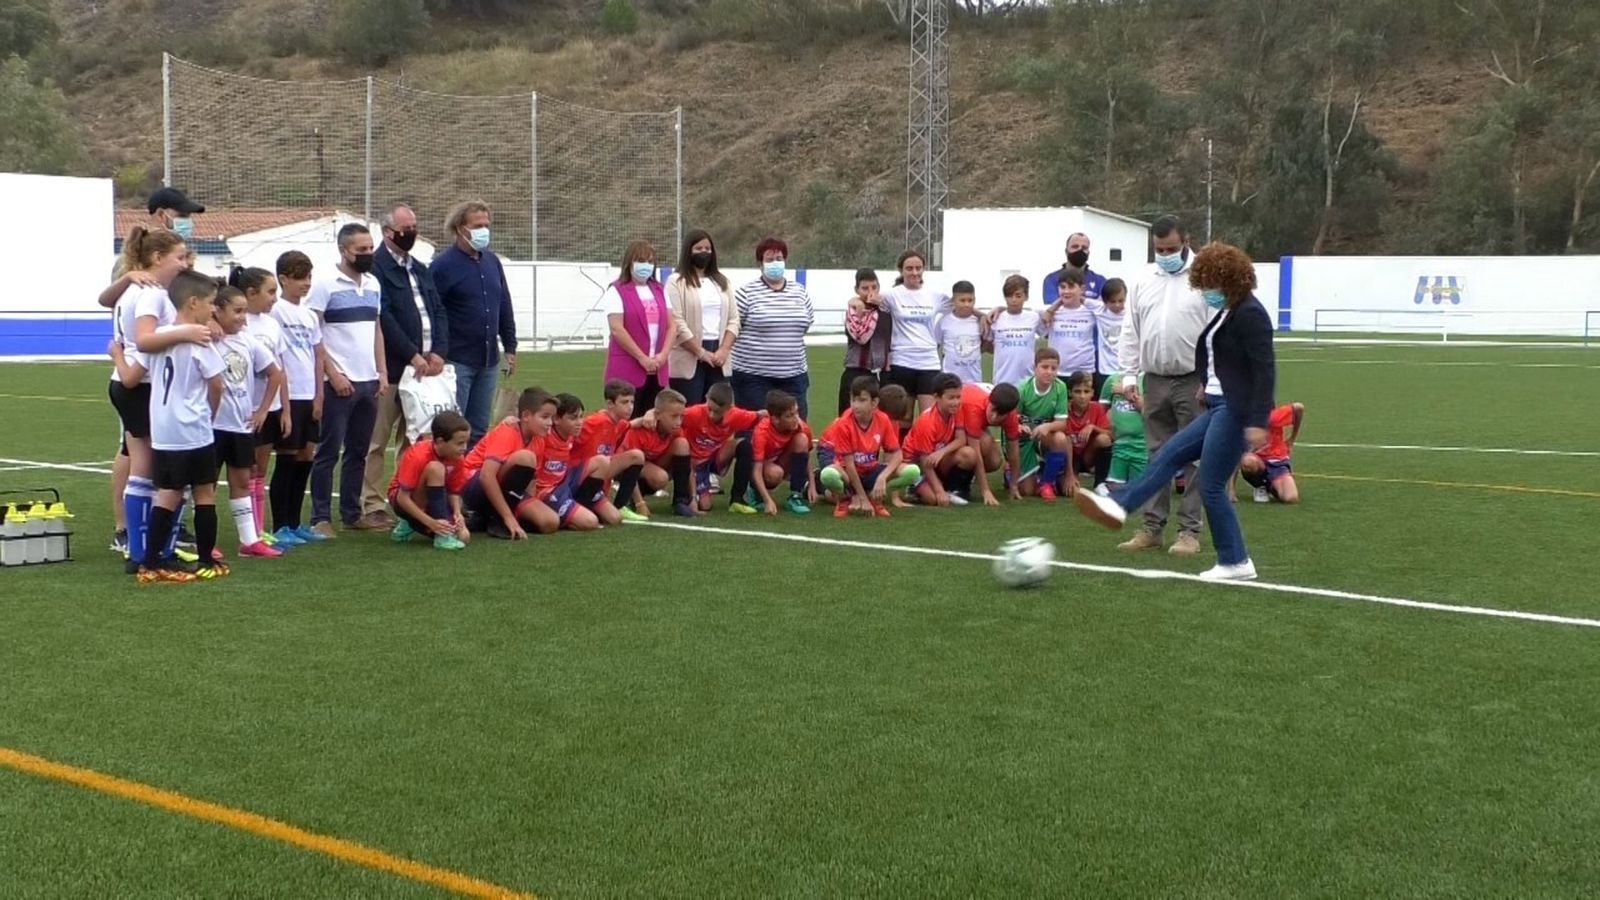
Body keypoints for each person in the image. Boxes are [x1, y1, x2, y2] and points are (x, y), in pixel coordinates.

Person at [1075, 241, 1278, 581]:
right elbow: (1216, 354)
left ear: (1228, 279)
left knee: (1210, 484)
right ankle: (1119, 505)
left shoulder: (1251, 314)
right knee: (1168, 454)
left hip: (1236, 410)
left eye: (1209, 284)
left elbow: (1264, 369)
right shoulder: (1229, 310)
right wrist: (1205, 383)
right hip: (1216, 403)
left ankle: (1236, 561)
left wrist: (1258, 421)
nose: (1205, 291)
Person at [1114, 214, 1211, 556]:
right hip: (1154, 378)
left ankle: (1189, 532)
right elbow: (1131, 328)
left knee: (1195, 458)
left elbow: (1217, 330)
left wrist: (1211, 378)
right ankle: (1151, 528)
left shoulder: (1205, 277)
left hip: (1193, 380)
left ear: (1186, 242)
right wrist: (1129, 374)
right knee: (1157, 455)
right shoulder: (1143, 278)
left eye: (1171, 248)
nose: (1165, 255)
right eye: (1160, 249)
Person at [105, 227, 195, 570]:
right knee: (157, 471)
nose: (184, 264)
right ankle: (148, 552)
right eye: (179, 257)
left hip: (131, 382)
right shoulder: (152, 293)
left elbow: (108, 303)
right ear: (157, 257)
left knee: (144, 468)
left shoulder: (135, 287)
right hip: (140, 384)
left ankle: (143, 551)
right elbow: (144, 340)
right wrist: (188, 331)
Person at [129, 270, 227, 583]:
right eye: (211, 303)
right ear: (193, 302)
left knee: (167, 494)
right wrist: (210, 414)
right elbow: (216, 384)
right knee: (204, 493)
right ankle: (206, 560)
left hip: (164, 430)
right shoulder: (200, 340)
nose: (213, 309)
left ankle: (150, 560)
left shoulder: (159, 337)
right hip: (194, 428)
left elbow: (140, 366)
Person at [358, 203, 448, 531]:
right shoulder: (376, 269)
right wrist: (412, 354)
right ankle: (370, 503)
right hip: (394, 369)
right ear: (387, 232)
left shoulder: (420, 268)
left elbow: (438, 310)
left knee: (414, 441)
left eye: (413, 226)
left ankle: (406, 500)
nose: (411, 232)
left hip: (424, 372)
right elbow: (384, 317)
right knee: (376, 440)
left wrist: (439, 351)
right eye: (405, 228)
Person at [306, 223, 387, 538]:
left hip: (369, 381)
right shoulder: (325, 285)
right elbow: (313, 334)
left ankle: (352, 513)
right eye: (361, 249)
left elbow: (376, 329)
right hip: (338, 383)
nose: (368, 254)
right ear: (344, 250)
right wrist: (333, 373)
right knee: (328, 451)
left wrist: (382, 372)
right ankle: (320, 517)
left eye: (370, 248)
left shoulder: (373, 284)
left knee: (358, 451)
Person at [431, 200, 517, 444]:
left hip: (488, 361)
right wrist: (436, 350)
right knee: (454, 427)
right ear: (460, 228)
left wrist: (510, 346)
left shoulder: (492, 261)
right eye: (478, 226)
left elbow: (504, 303)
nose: (484, 230)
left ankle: (472, 468)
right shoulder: (442, 266)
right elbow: (433, 311)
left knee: (479, 429)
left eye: (486, 225)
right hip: (456, 360)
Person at [210, 284, 286, 559]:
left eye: (244, 311)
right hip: (212, 426)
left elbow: (275, 374)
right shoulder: (206, 338)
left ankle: (249, 540)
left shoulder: (248, 342)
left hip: (240, 425)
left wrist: (263, 410)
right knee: (205, 485)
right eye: (237, 311)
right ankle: (205, 541)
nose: (243, 318)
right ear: (217, 311)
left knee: (242, 480)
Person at [267, 251, 327, 545]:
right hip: (288, 396)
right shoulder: (276, 312)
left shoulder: (310, 316)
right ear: (283, 279)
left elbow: (318, 355)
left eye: (309, 277)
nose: (306, 283)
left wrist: (319, 395)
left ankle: (295, 521)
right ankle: (280, 525)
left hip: (309, 394)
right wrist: (285, 400)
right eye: (300, 278)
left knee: (306, 456)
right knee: (287, 457)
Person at [234, 266, 292, 549]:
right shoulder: (237, 323)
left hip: (269, 407)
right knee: (243, 472)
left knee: (260, 471)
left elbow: (280, 369)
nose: (275, 298)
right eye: (270, 292)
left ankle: (257, 530)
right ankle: (248, 533)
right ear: (251, 293)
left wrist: (286, 410)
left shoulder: (271, 325)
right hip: (243, 409)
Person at [731, 237, 813, 419]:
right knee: (755, 428)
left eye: (779, 258)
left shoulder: (799, 292)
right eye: (769, 259)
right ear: (760, 264)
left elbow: (806, 324)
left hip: (794, 376)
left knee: (795, 427)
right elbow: (733, 328)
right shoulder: (745, 293)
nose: (775, 263)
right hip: (753, 378)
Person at [461, 388, 558, 539]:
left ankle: (484, 518)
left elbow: (531, 481)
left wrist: (529, 505)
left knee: (550, 522)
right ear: (526, 416)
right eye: (545, 417)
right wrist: (508, 517)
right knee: (525, 458)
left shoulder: (539, 439)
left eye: (552, 418)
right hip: (472, 485)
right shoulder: (508, 431)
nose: (550, 423)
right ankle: (499, 519)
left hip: (503, 489)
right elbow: (486, 476)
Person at [818, 377, 920, 518]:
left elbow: (897, 454)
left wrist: (882, 478)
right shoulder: (844, 424)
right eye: (853, 400)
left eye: (861, 400)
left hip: (868, 468)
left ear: (874, 402)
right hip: (844, 467)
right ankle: (843, 497)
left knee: (913, 472)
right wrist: (862, 498)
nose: (855, 405)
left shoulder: (883, 419)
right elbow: (849, 465)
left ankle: (875, 497)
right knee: (828, 476)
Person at [874, 249, 951, 416]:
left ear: (923, 269)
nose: (914, 272)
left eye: (918, 268)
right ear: (901, 270)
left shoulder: (935, 296)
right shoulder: (891, 295)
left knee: (928, 417)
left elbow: (962, 305)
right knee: (903, 418)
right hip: (902, 362)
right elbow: (867, 299)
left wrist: (985, 315)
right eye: (909, 268)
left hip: (929, 363)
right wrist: (855, 301)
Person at [666, 230, 739, 405]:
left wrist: (724, 349)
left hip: (719, 355)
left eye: (707, 248)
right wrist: (700, 352)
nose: (704, 252)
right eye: (698, 248)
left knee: (718, 411)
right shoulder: (676, 281)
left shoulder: (722, 281)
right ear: (688, 251)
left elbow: (734, 319)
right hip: (688, 355)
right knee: (689, 410)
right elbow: (676, 321)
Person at [603, 240, 673, 416]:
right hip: (628, 367)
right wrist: (641, 357)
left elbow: (672, 326)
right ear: (630, 262)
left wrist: (663, 355)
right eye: (641, 261)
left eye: (650, 262)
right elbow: (617, 328)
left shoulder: (659, 289)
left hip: (657, 369)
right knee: (626, 420)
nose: (646, 266)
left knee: (652, 420)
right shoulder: (617, 290)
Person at [388, 410, 472, 551]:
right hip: (403, 501)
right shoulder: (418, 455)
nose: (464, 448)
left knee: (464, 537)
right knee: (435, 468)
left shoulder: (458, 458)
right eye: (459, 443)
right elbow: (403, 498)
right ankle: (440, 536)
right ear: (440, 441)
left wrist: (457, 513)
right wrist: (431, 523)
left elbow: (453, 491)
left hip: (434, 497)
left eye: (466, 443)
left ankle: (409, 525)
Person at [572, 379, 648, 524]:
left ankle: (620, 506)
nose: (630, 407)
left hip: (596, 477)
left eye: (632, 402)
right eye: (624, 402)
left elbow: (633, 424)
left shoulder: (620, 424)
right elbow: (569, 433)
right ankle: (579, 503)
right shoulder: (594, 422)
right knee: (605, 460)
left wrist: (652, 415)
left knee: (637, 456)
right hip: (578, 475)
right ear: (610, 404)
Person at [534, 394, 612, 533]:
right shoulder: (544, 435)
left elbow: (603, 422)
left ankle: (578, 506)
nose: (579, 422)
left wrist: (640, 420)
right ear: (556, 419)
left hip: (565, 482)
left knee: (603, 462)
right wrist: (511, 420)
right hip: (545, 490)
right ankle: (565, 514)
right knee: (590, 522)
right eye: (573, 418)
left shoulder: (571, 434)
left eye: (581, 417)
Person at [679, 381, 760, 514]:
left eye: (717, 412)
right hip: (694, 463)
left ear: (729, 408)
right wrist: (650, 415)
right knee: (705, 506)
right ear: (706, 398)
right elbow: (668, 413)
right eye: (709, 409)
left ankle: (737, 500)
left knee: (744, 445)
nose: (712, 415)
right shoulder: (693, 413)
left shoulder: (735, 415)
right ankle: (693, 488)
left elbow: (761, 416)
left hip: (716, 458)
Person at [898, 373, 974, 509]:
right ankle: (913, 486)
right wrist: (938, 492)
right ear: (936, 397)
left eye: (958, 397)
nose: (956, 402)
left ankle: (952, 489)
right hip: (916, 465)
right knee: (933, 499)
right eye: (951, 398)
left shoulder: (956, 410)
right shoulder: (927, 422)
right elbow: (924, 461)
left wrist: (941, 452)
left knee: (969, 454)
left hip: (935, 459)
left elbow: (961, 439)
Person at [619, 388, 695, 518]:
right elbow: (628, 468)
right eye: (674, 416)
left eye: (681, 416)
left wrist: (694, 498)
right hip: (628, 468)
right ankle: (631, 497)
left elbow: (688, 465)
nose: (679, 422)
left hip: (655, 464)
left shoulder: (675, 429)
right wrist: (640, 503)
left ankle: (681, 501)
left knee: (682, 444)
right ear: (657, 414)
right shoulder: (639, 431)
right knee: (660, 478)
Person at [1013, 348, 1071, 502]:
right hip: (1024, 438)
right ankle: (1010, 471)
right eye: (1044, 367)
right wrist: (1019, 426)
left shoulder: (1060, 387)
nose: (1049, 372)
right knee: (1027, 491)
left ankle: (1046, 483)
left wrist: (1047, 427)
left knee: (1060, 438)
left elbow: (1062, 423)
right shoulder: (1023, 388)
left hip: (1042, 437)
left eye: (1054, 368)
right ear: (1035, 367)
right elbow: (1012, 419)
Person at [749, 390, 815, 515]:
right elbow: (756, 469)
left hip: (781, 463)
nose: (796, 419)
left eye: (796, 412)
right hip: (761, 468)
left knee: (802, 439)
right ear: (775, 419)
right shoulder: (762, 432)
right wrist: (768, 500)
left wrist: (812, 485)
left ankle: (795, 496)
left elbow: (806, 456)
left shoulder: (801, 426)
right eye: (789, 416)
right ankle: (754, 492)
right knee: (775, 473)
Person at [958, 381, 1024, 506]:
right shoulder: (975, 407)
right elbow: (976, 451)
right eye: (993, 410)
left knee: (994, 461)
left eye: (1000, 415)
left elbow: (1013, 451)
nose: (993, 417)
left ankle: (968, 476)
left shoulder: (1011, 416)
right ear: (989, 401)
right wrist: (985, 490)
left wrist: (1014, 484)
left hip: (973, 422)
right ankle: (954, 480)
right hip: (953, 424)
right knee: (980, 446)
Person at [839, 268, 891, 414]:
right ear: (856, 290)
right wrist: (862, 309)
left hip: (882, 374)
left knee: (881, 419)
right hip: (856, 371)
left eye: (874, 287)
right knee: (849, 418)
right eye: (865, 288)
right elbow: (861, 337)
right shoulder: (852, 311)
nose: (870, 292)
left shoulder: (887, 310)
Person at [1237, 402, 1303, 504]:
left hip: (1277, 462)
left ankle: (1271, 486)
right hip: (1257, 461)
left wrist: (1292, 439)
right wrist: (1230, 489)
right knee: (1248, 461)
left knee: (1291, 498)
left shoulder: (1274, 417)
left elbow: (1299, 408)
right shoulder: (1245, 419)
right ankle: (1259, 486)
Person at [989, 274, 1045, 389]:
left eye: (1018, 296)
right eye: (1009, 296)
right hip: (1002, 382)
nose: (1013, 300)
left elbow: (1050, 318)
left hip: (1028, 382)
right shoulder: (995, 318)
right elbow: (987, 345)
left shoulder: (1034, 317)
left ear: (1026, 296)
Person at [1042, 266, 1098, 380]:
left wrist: (1082, 299)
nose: (1066, 291)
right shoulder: (1050, 312)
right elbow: (1019, 311)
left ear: (1082, 289)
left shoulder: (1092, 311)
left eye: (1071, 287)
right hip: (1056, 372)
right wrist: (1053, 308)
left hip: (1084, 372)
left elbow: (1108, 309)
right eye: (1062, 287)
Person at [1063, 371, 1112, 494]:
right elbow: (1065, 439)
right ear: (1070, 393)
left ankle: (1100, 482)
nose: (1082, 396)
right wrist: (1070, 474)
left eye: (1086, 391)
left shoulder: (1096, 408)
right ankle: (1058, 475)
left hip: (1087, 456)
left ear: (1092, 393)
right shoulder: (1063, 409)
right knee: (1071, 491)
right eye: (1077, 391)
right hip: (1069, 457)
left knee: (1104, 439)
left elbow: (1111, 435)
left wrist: (1093, 427)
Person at [1100, 371, 1146, 495]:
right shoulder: (1112, 380)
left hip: (1142, 447)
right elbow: (1100, 412)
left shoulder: (1149, 380)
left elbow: (1153, 413)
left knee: (1139, 492)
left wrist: (1126, 392)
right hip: (1119, 446)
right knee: (1115, 489)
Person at [933, 281, 982, 385]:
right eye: (962, 300)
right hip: (949, 381)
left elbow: (985, 345)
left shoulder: (979, 322)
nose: (966, 304)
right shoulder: (944, 321)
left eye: (970, 300)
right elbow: (935, 345)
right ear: (953, 300)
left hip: (974, 381)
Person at [1042, 231, 1107, 305]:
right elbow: (1054, 307)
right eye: (1075, 247)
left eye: (1084, 248)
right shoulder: (1052, 279)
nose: (1080, 250)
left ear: (1088, 253)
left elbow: (1105, 307)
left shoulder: (1100, 281)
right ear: (1066, 251)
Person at [1092, 277, 1128, 397]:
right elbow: (1079, 299)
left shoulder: (1131, 314)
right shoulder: (1099, 311)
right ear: (1105, 301)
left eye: (1121, 301)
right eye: (1112, 302)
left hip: (1126, 370)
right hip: (1105, 370)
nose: (1117, 305)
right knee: (1103, 404)